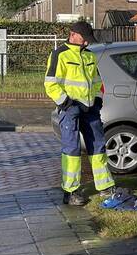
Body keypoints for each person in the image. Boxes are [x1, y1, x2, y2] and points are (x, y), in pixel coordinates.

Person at [44, 21, 115, 206]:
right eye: (84, 39)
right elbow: (50, 83)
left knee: (98, 146)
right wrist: (66, 103)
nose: (86, 43)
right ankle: (70, 191)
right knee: (72, 150)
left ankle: (105, 187)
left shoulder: (89, 56)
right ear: (73, 34)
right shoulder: (59, 54)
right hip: (71, 109)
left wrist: (97, 101)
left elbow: (98, 82)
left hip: (90, 108)